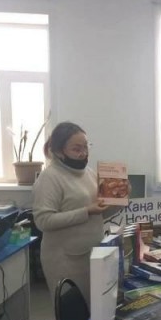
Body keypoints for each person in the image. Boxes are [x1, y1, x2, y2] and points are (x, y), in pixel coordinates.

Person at [33, 122, 111, 308]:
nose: (83, 153)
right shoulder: (50, 177)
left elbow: (99, 213)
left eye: (86, 147)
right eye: (77, 149)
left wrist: (119, 200)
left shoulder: (88, 173)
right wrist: (86, 211)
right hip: (65, 260)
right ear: (59, 151)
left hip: (92, 254)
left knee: (94, 312)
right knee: (74, 313)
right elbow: (43, 221)